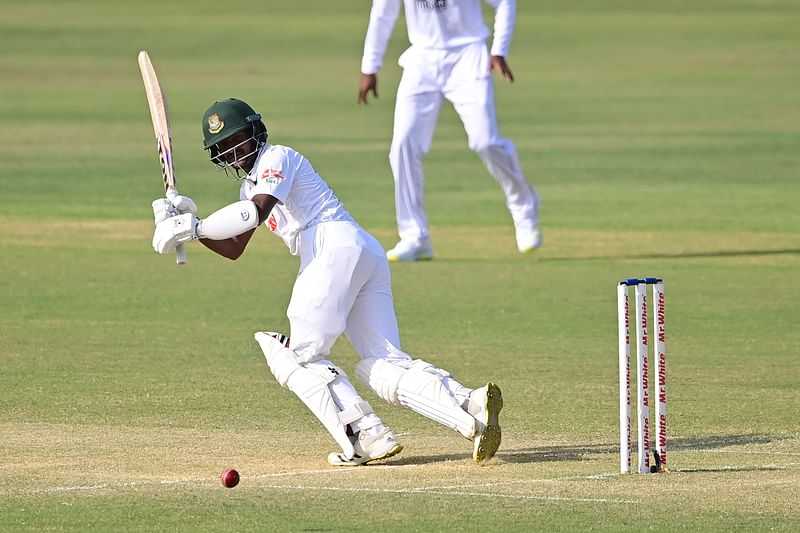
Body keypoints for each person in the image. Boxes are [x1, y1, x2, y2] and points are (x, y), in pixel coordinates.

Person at [151, 98, 503, 465]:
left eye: (237, 139)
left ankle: (368, 436)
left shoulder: (277, 158)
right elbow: (236, 245)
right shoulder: (249, 188)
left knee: (298, 358)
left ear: (256, 132)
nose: (233, 151)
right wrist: (189, 230)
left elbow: (254, 212)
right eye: (223, 148)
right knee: (380, 364)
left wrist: (194, 226)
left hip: (332, 247)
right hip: (357, 251)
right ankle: (471, 404)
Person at [358, 0, 542, 261]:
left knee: (484, 141)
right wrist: (370, 67)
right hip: (421, 59)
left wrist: (498, 50)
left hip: (468, 55)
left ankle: (524, 206)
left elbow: (504, 2)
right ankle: (414, 236)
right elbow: (382, 14)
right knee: (402, 146)